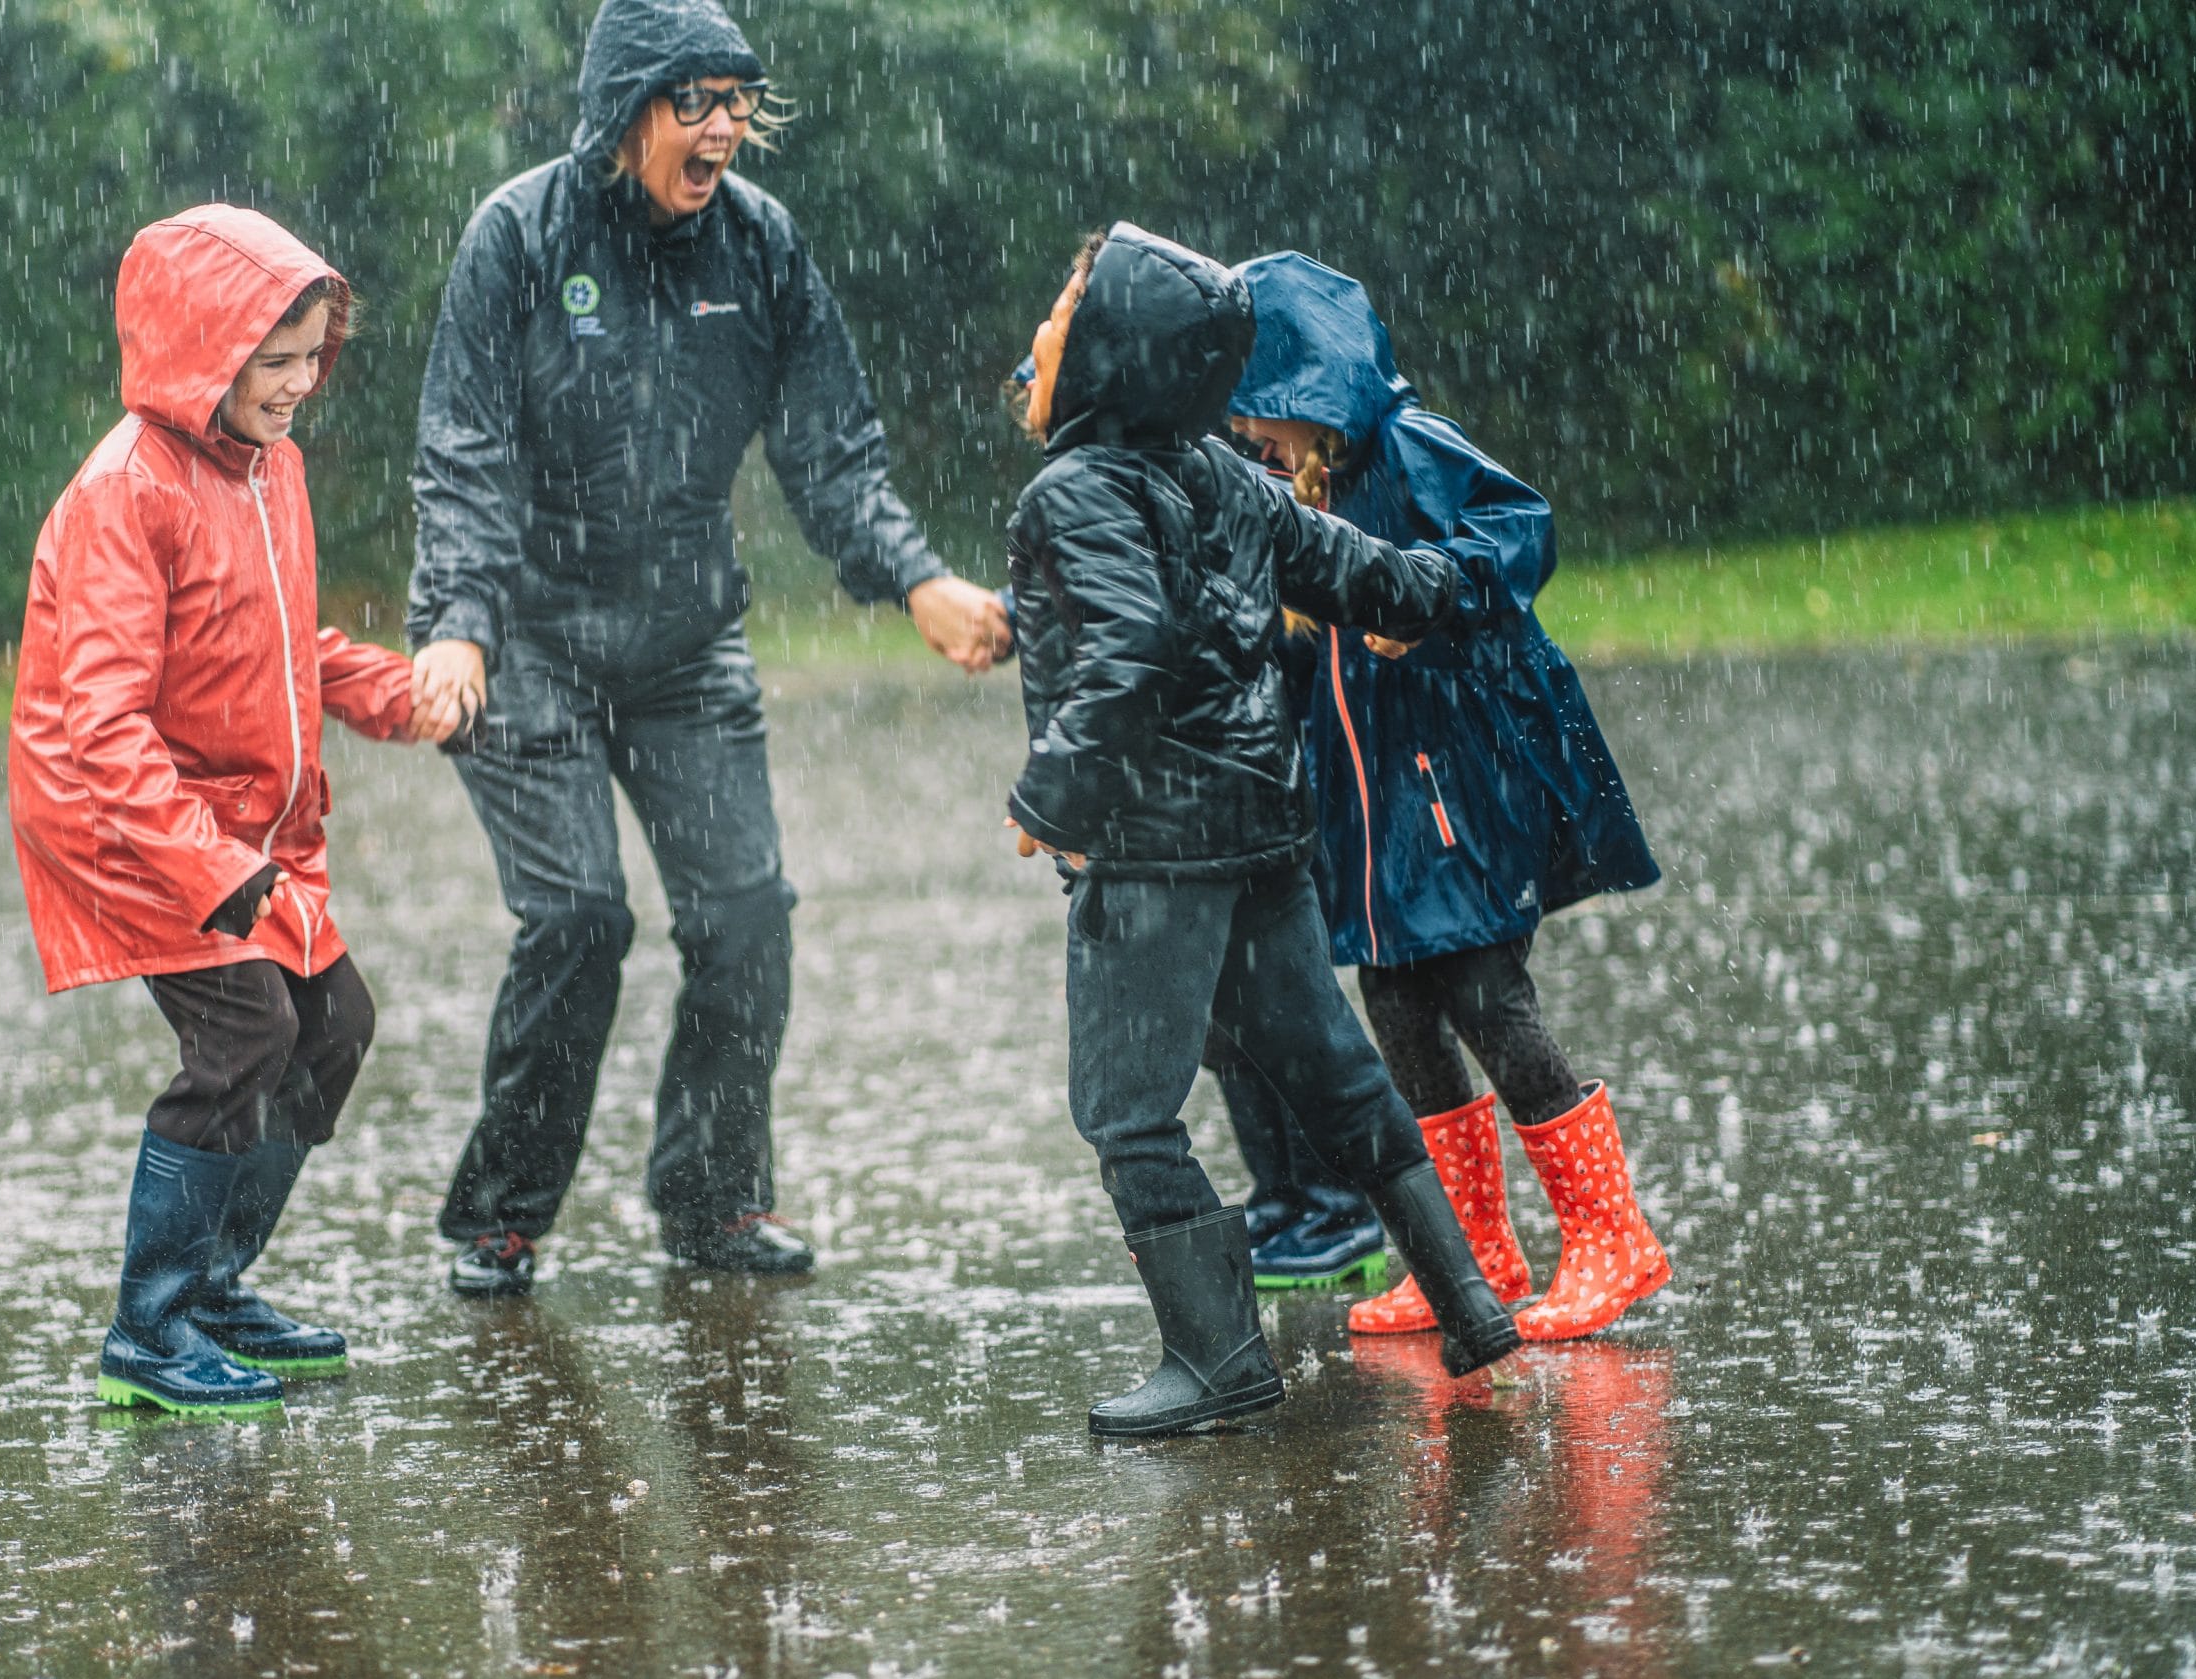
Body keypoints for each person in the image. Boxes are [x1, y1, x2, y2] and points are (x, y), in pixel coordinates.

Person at [403, 0, 1011, 1296]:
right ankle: (502, 1213)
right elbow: (462, 452)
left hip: (683, 640)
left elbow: (833, 449)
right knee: (578, 917)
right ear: (626, 112)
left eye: (738, 99)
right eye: (697, 100)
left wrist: (917, 577)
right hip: (527, 639)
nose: (725, 126)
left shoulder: (761, 244)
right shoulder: (518, 235)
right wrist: (459, 624)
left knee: (746, 920)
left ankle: (714, 1199)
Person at [1003, 224, 1522, 1439]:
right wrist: (1450, 582)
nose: (1040, 332)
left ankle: (1218, 1361)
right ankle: (1469, 1300)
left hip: (1152, 852)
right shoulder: (1220, 471)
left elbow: (1127, 657)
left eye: (1063, 311)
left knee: (1129, 1111)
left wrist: (1052, 801)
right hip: (1261, 838)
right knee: (1337, 1077)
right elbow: (1345, 566)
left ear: (1113, 356)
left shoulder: (1074, 492)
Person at [10, 205, 456, 1416]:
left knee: (336, 1022)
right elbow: (99, 725)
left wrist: (402, 695)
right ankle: (149, 1331)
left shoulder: (271, 469)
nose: (302, 383)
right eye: (275, 359)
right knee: (247, 1033)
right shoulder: (124, 494)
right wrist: (207, 865)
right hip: (128, 827)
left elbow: (281, 645)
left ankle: (211, 1286)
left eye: (315, 355)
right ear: (200, 351)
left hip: (232, 829)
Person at [1221, 251, 1669, 1342]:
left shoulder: (1409, 446)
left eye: (1259, 415)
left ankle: (1612, 1237)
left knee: (1486, 999)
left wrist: (1434, 602)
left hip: (1446, 782)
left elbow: (1520, 528)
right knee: (1400, 1016)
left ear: (1307, 391)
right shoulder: (1297, 491)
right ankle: (1466, 1251)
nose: (1248, 441)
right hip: (1366, 807)